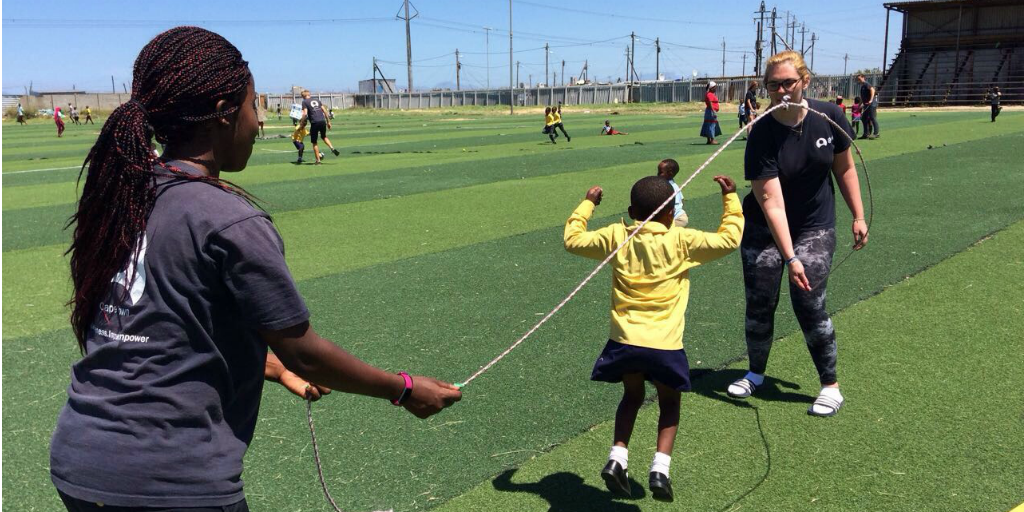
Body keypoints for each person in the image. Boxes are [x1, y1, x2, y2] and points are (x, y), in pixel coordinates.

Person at [51, 26, 462, 512]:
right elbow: (305, 352)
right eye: (254, 107)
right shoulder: (227, 217)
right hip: (171, 482)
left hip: (80, 464)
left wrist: (273, 369)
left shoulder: (125, 194)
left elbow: (169, 329)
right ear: (225, 114)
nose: (258, 122)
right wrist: (405, 390)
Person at [564, 174, 743, 502]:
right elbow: (728, 240)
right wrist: (730, 199)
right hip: (664, 346)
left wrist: (587, 202)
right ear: (672, 213)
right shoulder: (681, 240)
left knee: (631, 396)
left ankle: (618, 457)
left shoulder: (617, 235)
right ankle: (660, 469)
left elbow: (573, 239)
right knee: (670, 403)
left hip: (626, 342)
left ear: (632, 210)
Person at [727, 50, 867, 417]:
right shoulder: (761, 132)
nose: (781, 90)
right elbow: (770, 200)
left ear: (805, 81)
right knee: (760, 302)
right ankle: (755, 373)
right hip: (764, 227)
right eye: (774, 85)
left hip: (814, 225)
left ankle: (830, 386)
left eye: (789, 82)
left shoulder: (831, 116)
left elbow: (845, 168)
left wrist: (858, 215)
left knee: (808, 301)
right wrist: (790, 257)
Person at [300, 90, 340, 164]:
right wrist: (328, 122)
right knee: (324, 136)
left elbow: (305, 114)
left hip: (315, 122)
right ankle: (332, 148)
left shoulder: (304, 102)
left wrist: (302, 122)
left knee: (314, 142)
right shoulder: (317, 100)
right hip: (322, 121)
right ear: (309, 94)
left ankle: (318, 161)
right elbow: (324, 111)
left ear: (303, 96)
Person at [655, 159, 689, 227]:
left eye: (660, 172)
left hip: (678, 219)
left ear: (670, 173)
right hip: (678, 217)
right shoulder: (672, 183)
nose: (657, 174)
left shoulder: (669, 187)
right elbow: (682, 200)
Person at [857, 74, 879, 139]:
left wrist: (871, 100)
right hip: (866, 105)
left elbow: (872, 90)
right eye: (858, 79)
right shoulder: (862, 86)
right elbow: (862, 97)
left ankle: (876, 133)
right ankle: (866, 134)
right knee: (863, 118)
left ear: (863, 78)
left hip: (871, 104)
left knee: (872, 117)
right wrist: (860, 104)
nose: (858, 80)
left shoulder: (866, 84)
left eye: (859, 79)